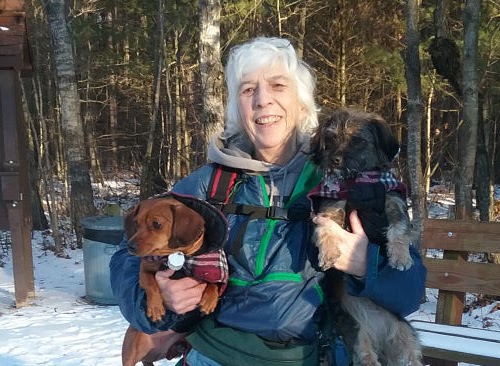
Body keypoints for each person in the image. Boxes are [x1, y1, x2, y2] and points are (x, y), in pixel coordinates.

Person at [110, 36, 426, 365]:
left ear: (302, 102)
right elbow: (126, 256)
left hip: (313, 355)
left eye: (278, 85)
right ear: (237, 108)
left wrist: (366, 264)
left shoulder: (343, 182)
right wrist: (163, 298)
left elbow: (410, 293)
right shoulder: (209, 184)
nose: (263, 100)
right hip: (217, 354)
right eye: (248, 90)